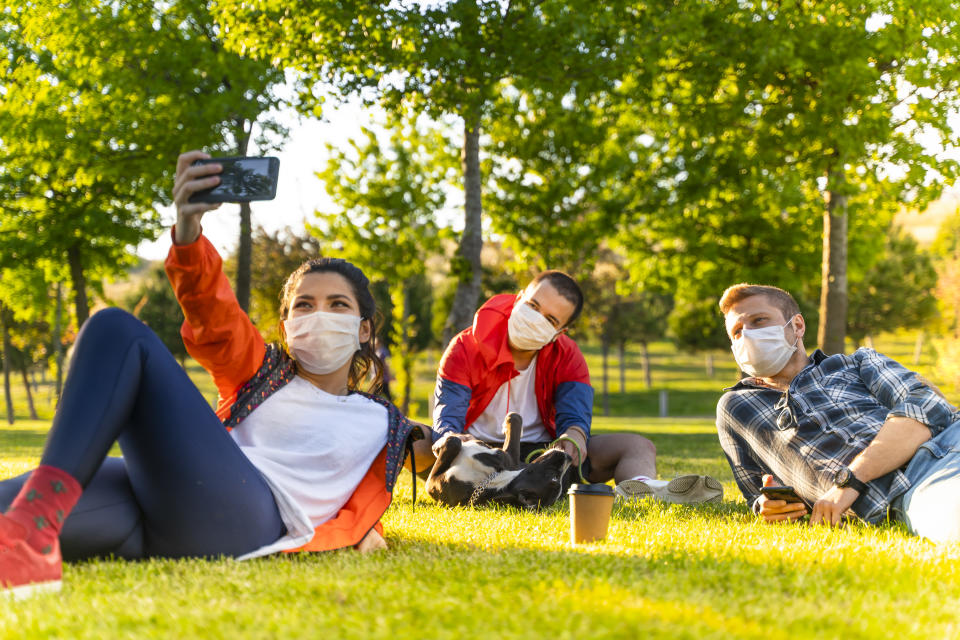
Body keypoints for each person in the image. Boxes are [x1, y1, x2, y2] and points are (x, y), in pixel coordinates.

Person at [0, 150, 432, 598]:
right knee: (29, 498)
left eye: (337, 305)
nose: (318, 314)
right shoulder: (260, 373)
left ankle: (33, 531)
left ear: (364, 330)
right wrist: (188, 232)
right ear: (286, 326)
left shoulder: (383, 422)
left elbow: (411, 469)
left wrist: (369, 529)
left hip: (246, 520)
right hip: (180, 509)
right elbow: (213, 314)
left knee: (118, 331)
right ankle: (30, 533)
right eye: (304, 305)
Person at [432, 271, 723, 503]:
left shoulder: (569, 356)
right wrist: (456, 442)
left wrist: (574, 436)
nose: (535, 319)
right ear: (519, 298)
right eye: (532, 306)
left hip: (545, 455)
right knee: (416, 440)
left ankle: (642, 490)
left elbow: (575, 416)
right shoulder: (464, 346)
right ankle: (491, 485)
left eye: (549, 319)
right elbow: (448, 417)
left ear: (560, 332)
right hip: (475, 454)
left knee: (637, 445)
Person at [716, 283, 960, 543]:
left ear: (797, 326)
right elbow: (756, 493)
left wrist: (849, 483)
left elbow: (927, 405)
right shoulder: (736, 408)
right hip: (914, 488)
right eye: (738, 332)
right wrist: (766, 505)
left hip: (948, 442)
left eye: (759, 320)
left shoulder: (857, 362)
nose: (749, 335)